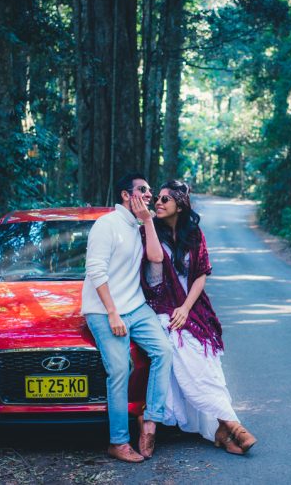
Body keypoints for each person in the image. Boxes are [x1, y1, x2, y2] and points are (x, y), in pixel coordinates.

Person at [137, 179, 257, 455]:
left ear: (180, 205)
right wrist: (174, 309)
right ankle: (231, 427)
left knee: (205, 359)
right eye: (158, 198)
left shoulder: (194, 233)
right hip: (161, 308)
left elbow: (201, 273)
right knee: (185, 352)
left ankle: (225, 428)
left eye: (165, 199)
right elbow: (152, 274)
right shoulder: (149, 231)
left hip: (192, 307)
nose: (158, 202)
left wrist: (186, 307)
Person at [82, 172, 172, 463]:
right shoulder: (106, 225)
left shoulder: (140, 225)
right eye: (143, 190)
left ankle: (149, 423)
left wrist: (147, 220)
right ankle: (118, 442)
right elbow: (96, 270)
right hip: (104, 310)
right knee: (120, 369)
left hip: (136, 307)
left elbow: (157, 259)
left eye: (150, 190)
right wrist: (112, 313)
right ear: (125, 195)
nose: (150, 195)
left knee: (164, 351)